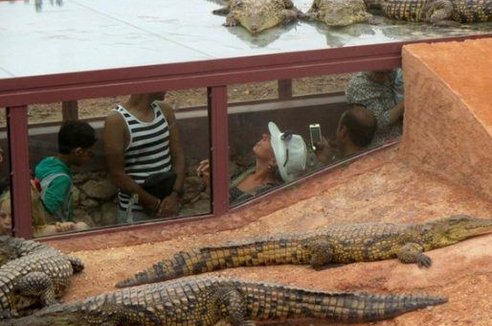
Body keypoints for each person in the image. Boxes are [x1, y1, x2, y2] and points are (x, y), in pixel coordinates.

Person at [103, 92, 186, 224]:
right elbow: (117, 175)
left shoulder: (165, 110)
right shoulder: (117, 121)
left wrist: (174, 195)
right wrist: (155, 204)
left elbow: (178, 155)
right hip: (136, 210)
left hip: (169, 202)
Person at [197, 121, 308, 205]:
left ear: (273, 161)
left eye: (270, 140)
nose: (264, 135)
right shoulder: (250, 170)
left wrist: (214, 186)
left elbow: (232, 215)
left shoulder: (266, 193)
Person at [34, 120, 97, 222]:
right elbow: (45, 214)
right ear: (78, 152)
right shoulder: (62, 180)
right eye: (89, 153)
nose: (90, 157)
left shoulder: (48, 162)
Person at [345, 69, 404, 144]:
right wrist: (405, 102)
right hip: (380, 143)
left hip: (399, 133)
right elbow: (379, 123)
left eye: (388, 72)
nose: (385, 77)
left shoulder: (390, 75)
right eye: (380, 73)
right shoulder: (360, 86)